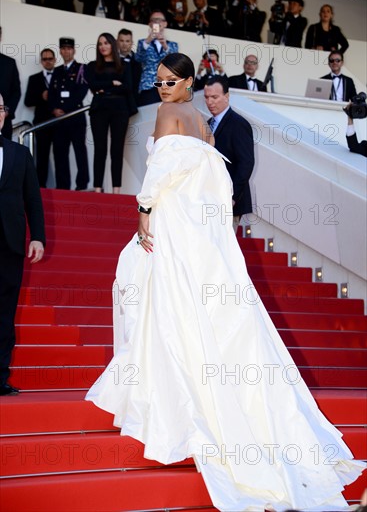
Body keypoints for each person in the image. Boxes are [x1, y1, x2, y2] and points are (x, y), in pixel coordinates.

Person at [85, 53, 365, 510]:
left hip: (174, 226)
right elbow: (219, 186)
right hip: (201, 233)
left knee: (160, 300)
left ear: (189, 82)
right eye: (157, 82)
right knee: (204, 312)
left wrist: (144, 213)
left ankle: (176, 406)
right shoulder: (202, 122)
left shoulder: (169, 114)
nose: (162, 88)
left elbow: (157, 174)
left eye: (171, 81)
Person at [0, 93, 45, 396]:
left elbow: (33, 199)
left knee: (4, 313)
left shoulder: (19, 153)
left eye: (0, 108)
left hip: (9, 243)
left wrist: (38, 237)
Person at [204, 75, 254, 229]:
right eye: (206, 97)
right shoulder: (207, 124)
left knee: (223, 251)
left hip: (228, 203)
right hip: (209, 200)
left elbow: (246, 163)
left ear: (227, 96)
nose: (210, 102)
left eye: (214, 97)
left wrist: (231, 197)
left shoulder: (239, 124)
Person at [85, 33, 132, 194]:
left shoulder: (124, 66)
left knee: (117, 150)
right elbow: (92, 85)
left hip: (120, 109)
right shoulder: (92, 66)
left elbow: (127, 87)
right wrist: (112, 82)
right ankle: (98, 189)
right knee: (100, 149)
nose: (103, 46)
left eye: (106, 43)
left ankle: (116, 190)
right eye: (100, 44)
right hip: (99, 109)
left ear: (112, 44)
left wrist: (103, 87)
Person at [48, 37, 89, 190]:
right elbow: (52, 93)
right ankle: (63, 186)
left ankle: (82, 184)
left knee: (80, 152)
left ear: (74, 50)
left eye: (69, 48)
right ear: (60, 51)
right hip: (59, 120)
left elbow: (81, 92)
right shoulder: (57, 70)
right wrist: (54, 109)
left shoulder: (81, 68)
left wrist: (65, 109)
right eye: (63, 49)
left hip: (75, 117)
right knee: (60, 154)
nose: (66, 51)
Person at [24, 48, 56, 188]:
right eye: (45, 59)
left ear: (55, 59)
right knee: (42, 156)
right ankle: (40, 188)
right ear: (41, 61)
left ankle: (63, 188)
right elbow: (28, 101)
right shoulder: (34, 78)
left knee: (61, 156)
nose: (48, 61)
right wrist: (41, 97)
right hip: (42, 123)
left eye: (50, 58)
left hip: (59, 122)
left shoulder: (61, 75)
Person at [135, 11, 178, 106]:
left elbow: (175, 63)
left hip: (167, 87)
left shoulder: (172, 45)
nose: (157, 23)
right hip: (148, 86)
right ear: (150, 24)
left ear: (165, 24)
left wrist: (165, 46)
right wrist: (148, 39)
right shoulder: (143, 43)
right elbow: (138, 58)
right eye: (154, 20)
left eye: (160, 20)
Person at [0, 26, 21, 140]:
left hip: (4, 121)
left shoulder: (9, 63)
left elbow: (16, 91)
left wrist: (6, 111)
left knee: (5, 155)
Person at [117, 28, 141, 104]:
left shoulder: (139, 60)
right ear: (117, 41)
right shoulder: (112, 60)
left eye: (127, 41)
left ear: (131, 42)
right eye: (121, 41)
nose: (124, 44)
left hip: (135, 102)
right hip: (117, 101)